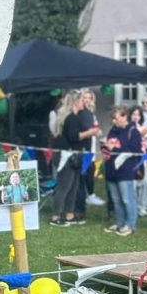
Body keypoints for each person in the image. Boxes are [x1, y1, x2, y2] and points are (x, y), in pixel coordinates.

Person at [50, 90, 101, 226]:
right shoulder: (70, 118)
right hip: (66, 157)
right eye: (81, 100)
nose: (83, 103)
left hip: (74, 156)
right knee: (65, 187)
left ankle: (69, 215)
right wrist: (90, 132)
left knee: (74, 186)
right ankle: (55, 216)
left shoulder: (74, 117)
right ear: (75, 102)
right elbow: (74, 137)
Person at [102, 106, 142, 236]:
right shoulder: (113, 131)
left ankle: (130, 225)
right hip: (111, 169)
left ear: (125, 116)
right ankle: (119, 223)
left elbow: (135, 151)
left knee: (127, 199)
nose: (114, 121)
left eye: (116, 118)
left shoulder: (133, 131)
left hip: (125, 170)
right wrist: (104, 146)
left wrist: (115, 149)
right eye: (113, 119)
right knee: (116, 200)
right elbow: (108, 148)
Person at [75, 90, 104, 222]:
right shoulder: (82, 114)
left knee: (90, 170)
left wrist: (97, 132)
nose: (86, 100)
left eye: (88, 98)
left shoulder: (91, 113)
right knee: (86, 171)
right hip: (84, 148)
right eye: (84, 97)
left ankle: (90, 194)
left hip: (91, 146)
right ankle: (88, 196)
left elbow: (95, 128)